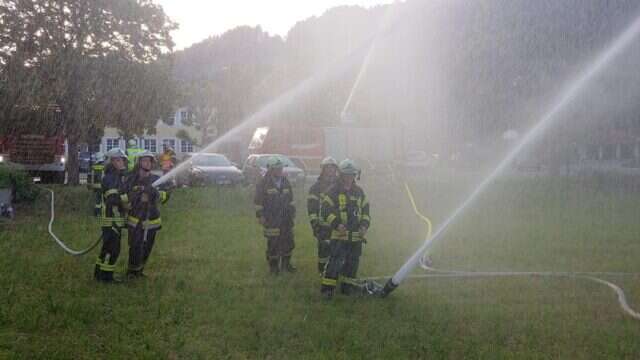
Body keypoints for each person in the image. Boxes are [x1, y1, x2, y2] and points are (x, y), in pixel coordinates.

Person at [320, 159, 370, 299]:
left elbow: (366, 212)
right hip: (339, 236)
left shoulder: (359, 192)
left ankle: (347, 287)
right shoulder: (333, 191)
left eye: (352, 175)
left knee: (352, 264)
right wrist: (337, 224)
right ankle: (327, 290)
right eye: (347, 175)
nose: (349, 178)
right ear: (341, 175)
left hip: (355, 237)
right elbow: (325, 210)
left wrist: (364, 226)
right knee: (335, 263)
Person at [123, 151, 170, 278]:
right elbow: (125, 196)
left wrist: (155, 194)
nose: (147, 163)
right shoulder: (131, 178)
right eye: (144, 161)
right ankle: (131, 271)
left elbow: (165, 196)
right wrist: (140, 194)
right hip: (135, 219)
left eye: (149, 161)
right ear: (139, 163)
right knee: (135, 246)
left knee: (147, 247)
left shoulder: (156, 179)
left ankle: (140, 270)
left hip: (152, 220)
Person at [254, 156, 296, 275]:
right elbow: (258, 202)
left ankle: (286, 264)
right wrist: (260, 216)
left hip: (286, 218)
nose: (280, 171)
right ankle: (273, 267)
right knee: (273, 244)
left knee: (289, 242)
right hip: (271, 219)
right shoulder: (263, 183)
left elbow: (291, 199)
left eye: (281, 168)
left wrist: (292, 212)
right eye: (277, 169)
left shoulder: (285, 181)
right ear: (270, 169)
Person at [94, 148, 129, 283]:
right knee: (113, 249)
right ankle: (107, 277)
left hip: (112, 218)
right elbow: (113, 198)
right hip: (112, 218)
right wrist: (125, 204)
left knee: (106, 247)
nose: (123, 163)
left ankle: (98, 273)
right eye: (120, 160)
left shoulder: (114, 176)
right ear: (113, 161)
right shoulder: (112, 178)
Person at [307, 156, 338, 274]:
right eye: (328, 168)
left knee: (338, 249)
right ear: (323, 170)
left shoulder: (341, 186)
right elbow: (312, 208)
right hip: (323, 226)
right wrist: (315, 224)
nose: (330, 170)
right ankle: (322, 272)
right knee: (323, 250)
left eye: (332, 168)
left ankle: (335, 271)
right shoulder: (316, 188)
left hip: (337, 224)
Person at [89, 152, 105, 217]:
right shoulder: (104, 166)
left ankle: (96, 213)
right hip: (102, 185)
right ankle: (100, 213)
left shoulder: (93, 167)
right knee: (102, 200)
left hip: (95, 185)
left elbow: (91, 177)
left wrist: (91, 185)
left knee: (97, 200)